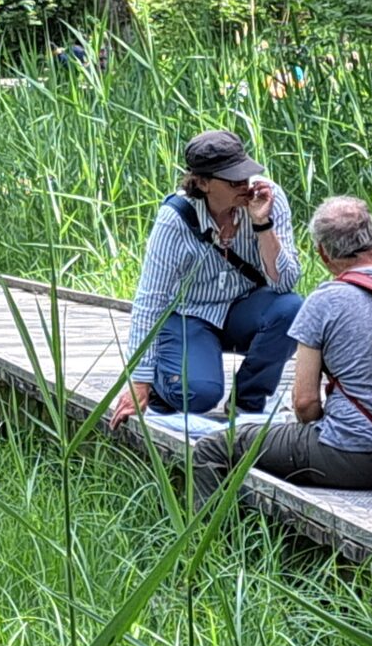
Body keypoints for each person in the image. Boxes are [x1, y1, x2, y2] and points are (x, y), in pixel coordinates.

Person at [186, 196, 372, 497]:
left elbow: (305, 405)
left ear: (323, 253)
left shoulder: (324, 300)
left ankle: (213, 538)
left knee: (213, 449)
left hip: (350, 457)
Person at [104, 129, 303, 426]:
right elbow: (150, 300)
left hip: (243, 308)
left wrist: (262, 224)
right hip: (188, 314)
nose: (244, 185)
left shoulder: (268, 197)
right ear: (202, 183)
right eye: (233, 179)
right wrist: (139, 380)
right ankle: (165, 380)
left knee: (291, 308)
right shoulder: (175, 218)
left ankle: (248, 402)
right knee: (198, 396)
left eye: (245, 174)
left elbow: (284, 283)